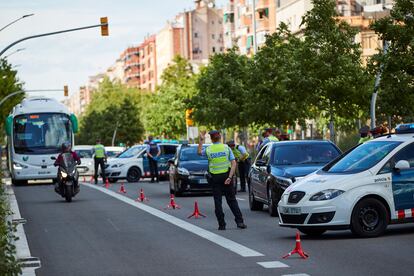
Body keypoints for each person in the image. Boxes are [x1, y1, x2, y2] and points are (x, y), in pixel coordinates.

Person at [198, 130, 247, 230]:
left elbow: (199, 152)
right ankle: (240, 222)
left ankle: (222, 224)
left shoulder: (209, 149)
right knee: (232, 201)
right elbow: (233, 163)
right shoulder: (226, 148)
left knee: (218, 202)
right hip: (226, 177)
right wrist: (230, 177)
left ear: (211, 138)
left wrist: (201, 140)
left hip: (215, 178)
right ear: (220, 137)